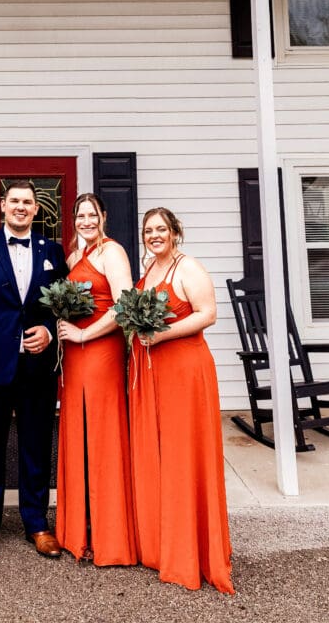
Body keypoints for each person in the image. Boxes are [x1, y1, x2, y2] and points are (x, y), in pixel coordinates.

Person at [0, 179, 67, 562]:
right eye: (14, 201)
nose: (21, 207)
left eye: (28, 203)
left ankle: (37, 523)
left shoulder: (52, 250)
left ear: (37, 210)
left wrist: (50, 331)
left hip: (36, 367)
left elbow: (64, 305)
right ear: (2, 205)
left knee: (37, 445)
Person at [128, 207, 234, 594]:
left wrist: (161, 334)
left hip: (184, 371)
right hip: (153, 373)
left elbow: (208, 314)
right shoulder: (149, 272)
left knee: (183, 454)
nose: (154, 235)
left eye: (161, 229)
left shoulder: (188, 268)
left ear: (175, 232)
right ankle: (163, 544)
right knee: (160, 456)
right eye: (148, 230)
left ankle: (192, 549)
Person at [55, 193, 137, 565]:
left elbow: (123, 306)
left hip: (100, 350)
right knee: (79, 432)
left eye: (92, 214)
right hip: (73, 354)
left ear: (103, 216)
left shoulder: (112, 252)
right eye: (80, 215)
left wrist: (86, 334)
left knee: (102, 432)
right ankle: (80, 527)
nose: (86, 221)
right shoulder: (74, 258)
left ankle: (109, 532)